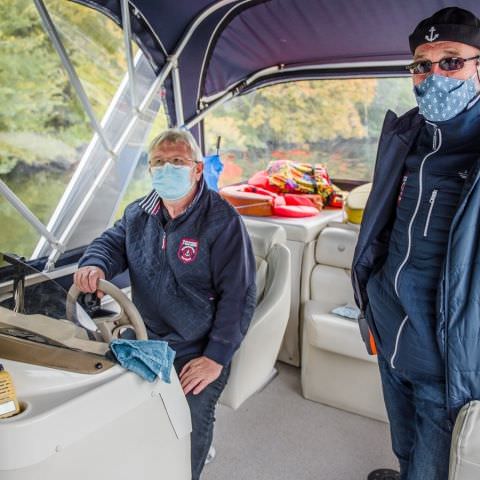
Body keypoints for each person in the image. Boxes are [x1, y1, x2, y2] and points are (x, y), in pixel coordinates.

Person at [74, 129, 256, 480]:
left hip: (197, 346)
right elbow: (111, 244)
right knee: (107, 399)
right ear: (150, 170)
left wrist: (215, 358)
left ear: (198, 169)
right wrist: (94, 263)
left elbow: (239, 295)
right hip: (146, 336)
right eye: (159, 162)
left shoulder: (223, 221)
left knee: (189, 419)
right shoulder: (138, 214)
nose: (167, 169)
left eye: (177, 162)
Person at [352, 7, 480, 480]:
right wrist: (370, 305)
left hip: (447, 358)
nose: (434, 75)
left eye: (452, 61)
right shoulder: (405, 137)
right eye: (422, 64)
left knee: (434, 466)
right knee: (404, 445)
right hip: (390, 334)